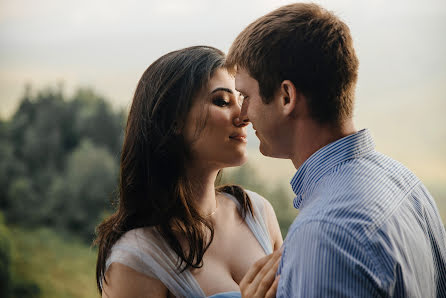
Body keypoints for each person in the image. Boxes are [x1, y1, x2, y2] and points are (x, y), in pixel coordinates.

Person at [226, 3, 446, 297]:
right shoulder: (404, 181)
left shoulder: (324, 233)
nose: (242, 114)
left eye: (246, 96)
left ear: (286, 97)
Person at [94, 46, 283, 298]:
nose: (243, 115)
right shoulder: (137, 259)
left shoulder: (257, 213)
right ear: (173, 121)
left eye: (240, 99)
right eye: (222, 101)